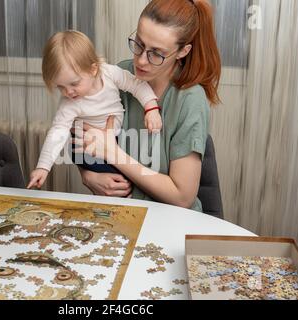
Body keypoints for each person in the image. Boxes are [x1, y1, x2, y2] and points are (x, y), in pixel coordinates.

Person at [75, 0, 221, 212]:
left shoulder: (190, 99)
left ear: (183, 51)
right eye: (139, 44)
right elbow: (85, 133)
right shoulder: (121, 75)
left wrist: (114, 154)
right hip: (120, 216)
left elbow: (182, 197)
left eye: (156, 53)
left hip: (171, 222)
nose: (141, 61)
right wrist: (88, 176)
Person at [27, 30, 163, 189]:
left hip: (112, 140)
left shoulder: (109, 73)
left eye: (74, 83)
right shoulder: (69, 103)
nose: (68, 92)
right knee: (121, 180)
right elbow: (58, 131)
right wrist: (43, 167)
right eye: (60, 87)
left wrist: (151, 107)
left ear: (93, 69)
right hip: (85, 146)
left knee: (130, 163)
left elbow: (136, 85)